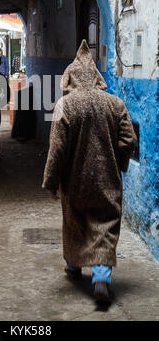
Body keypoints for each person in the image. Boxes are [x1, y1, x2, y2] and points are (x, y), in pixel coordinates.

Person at [42, 39, 136, 305]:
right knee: (104, 225)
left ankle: (73, 268)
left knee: (76, 224)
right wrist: (116, 160)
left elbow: (57, 148)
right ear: (96, 78)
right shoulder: (115, 104)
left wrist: (51, 181)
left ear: (70, 79)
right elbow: (129, 141)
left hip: (75, 180)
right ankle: (101, 279)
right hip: (107, 178)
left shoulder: (66, 105)